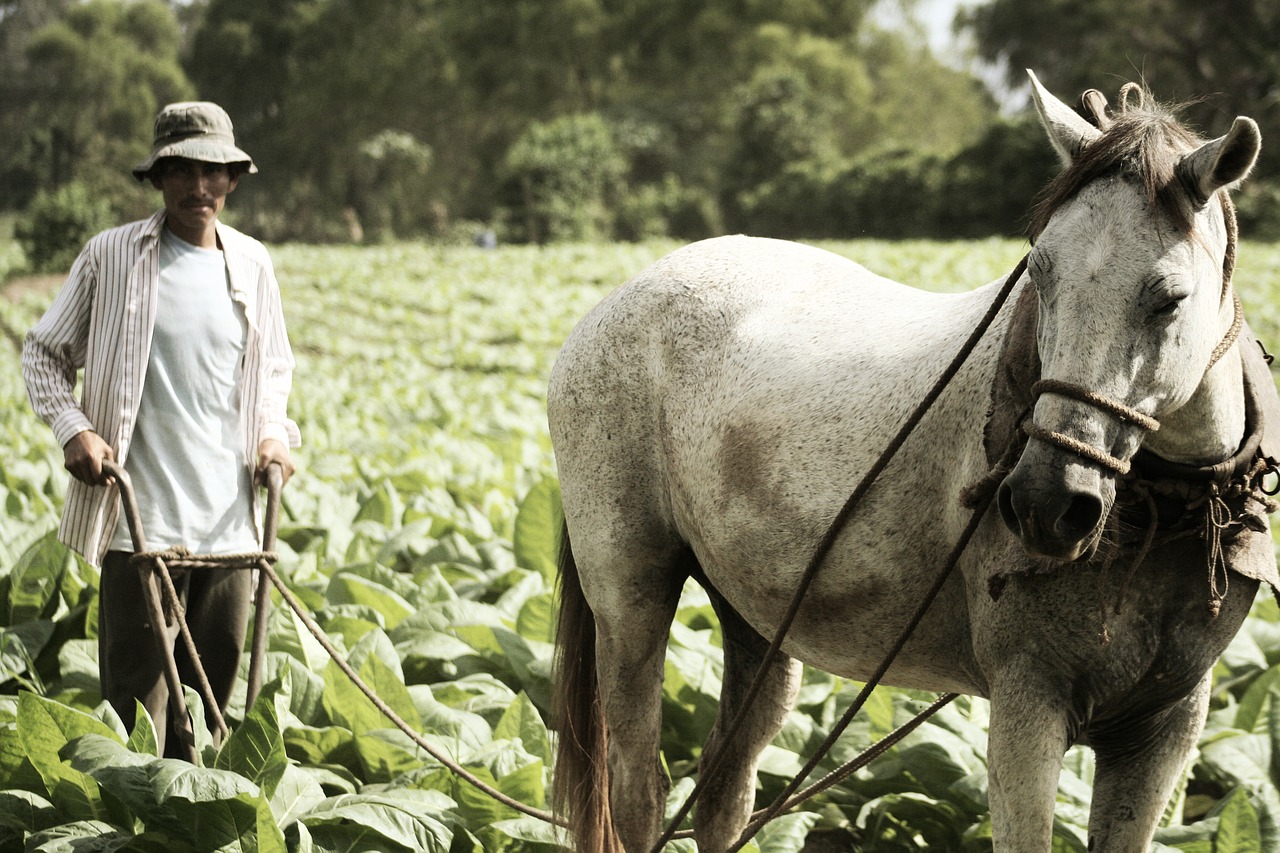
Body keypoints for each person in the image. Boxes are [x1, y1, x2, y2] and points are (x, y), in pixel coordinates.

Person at [22, 101, 300, 758]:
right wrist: (73, 430)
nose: (198, 189)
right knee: (138, 709)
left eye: (213, 173)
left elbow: (273, 370)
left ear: (232, 180)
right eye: (182, 171)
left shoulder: (253, 264)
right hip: (137, 528)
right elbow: (42, 352)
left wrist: (273, 437)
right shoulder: (112, 256)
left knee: (214, 706)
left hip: (230, 528)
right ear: (159, 177)